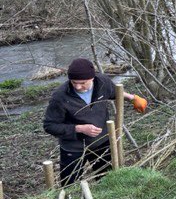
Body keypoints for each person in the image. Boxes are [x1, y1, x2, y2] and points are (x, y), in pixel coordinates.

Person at [43, 58, 148, 186]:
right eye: (74, 82)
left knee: (107, 178)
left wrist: (132, 98)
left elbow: (114, 92)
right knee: (69, 184)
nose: (77, 86)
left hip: (101, 142)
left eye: (82, 82)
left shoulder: (102, 82)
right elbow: (50, 126)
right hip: (73, 147)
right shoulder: (60, 96)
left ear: (92, 78)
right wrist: (79, 128)